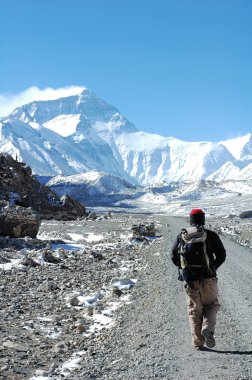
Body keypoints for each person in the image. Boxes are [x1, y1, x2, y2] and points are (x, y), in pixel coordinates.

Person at [171, 208, 226, 350]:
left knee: (194, 310)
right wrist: (212, 269)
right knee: (211, 305)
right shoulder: (211, 235)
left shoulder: (181, 236)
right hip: (209, 279)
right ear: (203, 219)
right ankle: (207, 327)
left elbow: (173, 256)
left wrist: (185, 269)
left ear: (191, 220)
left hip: (189, 280)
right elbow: (222, 255)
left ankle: (198, 342)